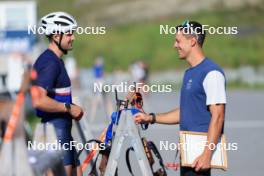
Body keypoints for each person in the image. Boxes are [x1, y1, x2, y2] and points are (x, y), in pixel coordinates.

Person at [134, 20, 226, 176]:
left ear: (192, 41)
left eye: (178, 41)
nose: (174, 45)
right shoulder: (189, 73)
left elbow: (218, 116)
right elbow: (186, 112)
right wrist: (151, 118)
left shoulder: (212, 73)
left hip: (200, 158)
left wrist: (207, 155)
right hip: (188, 155)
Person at [33, 12, 83, 176]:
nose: (73, 38)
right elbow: (38, 99)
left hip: (62, 131)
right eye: (69, 33)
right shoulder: (50, 63)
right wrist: (68, 108)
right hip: (56, 132)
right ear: (56, 36)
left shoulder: (55, 60)